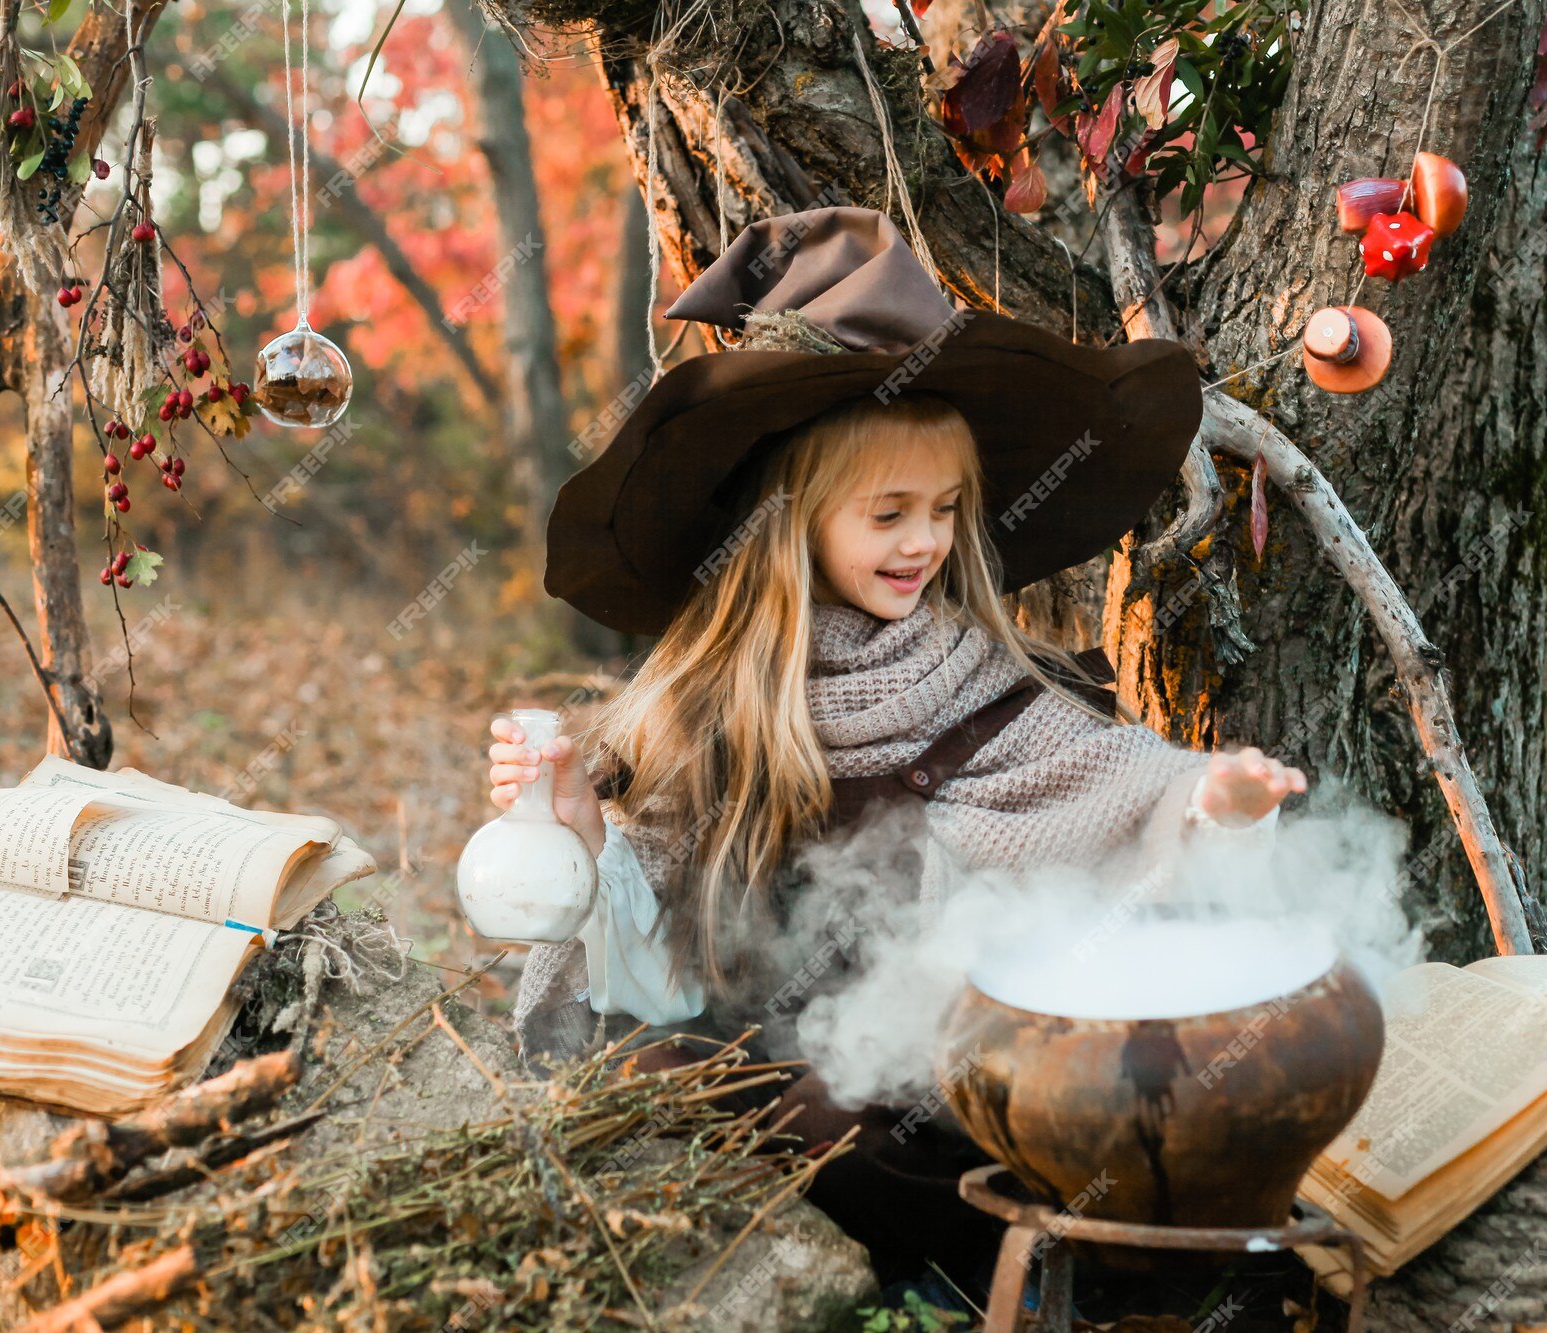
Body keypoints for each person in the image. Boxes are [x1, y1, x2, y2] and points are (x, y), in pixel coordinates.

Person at [484, 206, 1305, 1284]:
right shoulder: (709, 709)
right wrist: (583, 847)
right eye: (887, 513)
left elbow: (1145, 802)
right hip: (753, 1090)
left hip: (937, 1108)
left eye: (945, 509)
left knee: (880, 1122)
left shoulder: (987, 688)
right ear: (792, 519)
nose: (924, 542)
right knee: (640, 1066)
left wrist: (1219, 809)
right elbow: (660, 968)